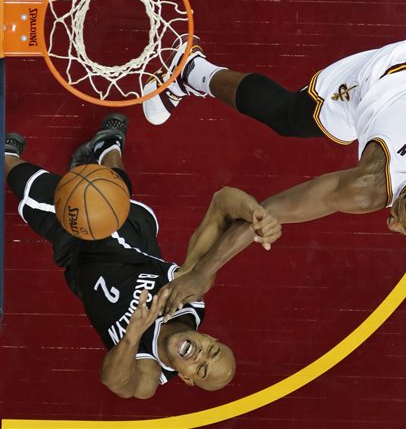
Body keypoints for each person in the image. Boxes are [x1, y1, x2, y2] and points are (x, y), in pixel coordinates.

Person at [142, 35, 406, 278]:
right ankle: (190, 71)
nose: (392, 226)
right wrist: (203, 274)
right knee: (289, 116)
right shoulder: (367, 187)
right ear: (399, 192)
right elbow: (272, 209)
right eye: (400, 219)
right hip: (392, 73)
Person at [4, 113, 281, 399]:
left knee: (110, 191)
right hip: (120, 233)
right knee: (49, 196)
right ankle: (9, 156)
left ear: (186, 378)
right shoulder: (188, 293)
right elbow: (223, 201)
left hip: (84, 269)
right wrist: (255, 213)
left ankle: (107, 146)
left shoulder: (148, 372)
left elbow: (114, 381)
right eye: (211, 350)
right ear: (209, 337)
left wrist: (133, 335)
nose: (200, 355)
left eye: (200, 369)